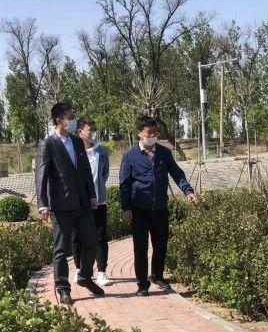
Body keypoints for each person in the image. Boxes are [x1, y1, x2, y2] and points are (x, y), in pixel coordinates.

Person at [35, 102, 104, 305]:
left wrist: (92, 195)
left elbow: (84, 170)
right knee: (61, 249)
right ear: (59, 119)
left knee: (92, 240)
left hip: (82, 203)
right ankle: (63, 288)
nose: (73, 120)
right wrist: (43, 204)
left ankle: (85, 276)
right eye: (70, 117)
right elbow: (41, 175)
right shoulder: (48, 144)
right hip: (61, 205)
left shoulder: (76, 141)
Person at [119, 116, 197, 296]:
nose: (152, 135)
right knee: (141, 247)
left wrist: (188, 191)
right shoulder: (129, 156)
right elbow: (124, 184)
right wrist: (126, 208)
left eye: (154, 132)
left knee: (160, 244)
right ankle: (142, 284)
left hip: (160, 207)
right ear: (139, 133)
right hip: (139, 208)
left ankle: (157, 276)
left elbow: (177, 173)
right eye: (149, 132)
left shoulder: (164, 153)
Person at [72, 118, 113, 286]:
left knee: (101, 237)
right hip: (78, 203)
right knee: (78, 238)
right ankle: (79, 270)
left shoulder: (101, 152)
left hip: (99, 202)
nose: (93, 133)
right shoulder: (73, 151)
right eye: (90, 130)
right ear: (80, 132)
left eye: (94, 129)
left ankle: (102, 272)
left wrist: (96, 191)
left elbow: (104, 174)